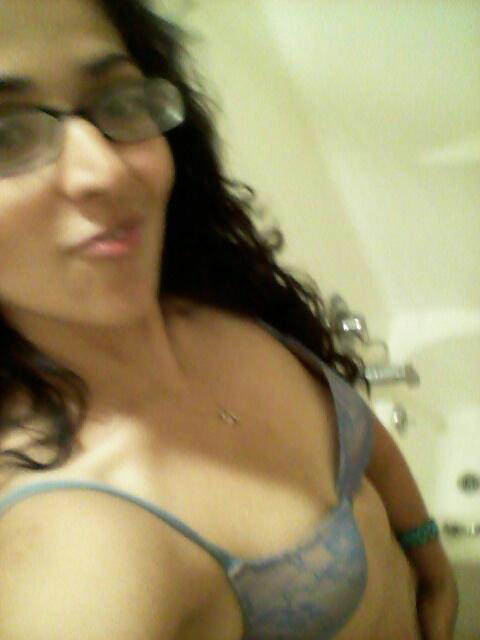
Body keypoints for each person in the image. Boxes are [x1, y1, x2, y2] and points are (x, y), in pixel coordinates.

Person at [0, 1, 458, 638]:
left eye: (117, 100)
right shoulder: (73, 545)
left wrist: (426, 549)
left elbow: (360, 437)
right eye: (7, 136)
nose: (106, 168)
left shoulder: (213, 298)